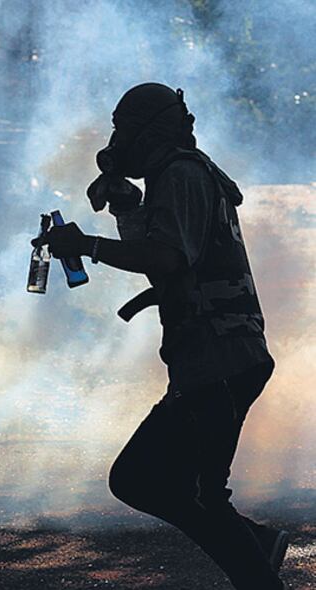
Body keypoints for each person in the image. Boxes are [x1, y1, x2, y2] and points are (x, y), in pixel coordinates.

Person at [41, 82, 289, 590]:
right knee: (147, 481)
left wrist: (86, 244)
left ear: (147, 129)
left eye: (124, 127)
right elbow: (165, 260)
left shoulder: (180, 174)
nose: (117, 138)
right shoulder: (174, 176)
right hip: (212, 357)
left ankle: (258, 563)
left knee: (190, 492)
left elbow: (168, 259)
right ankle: (256, 547)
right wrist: (128, 208)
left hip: (219, 355)